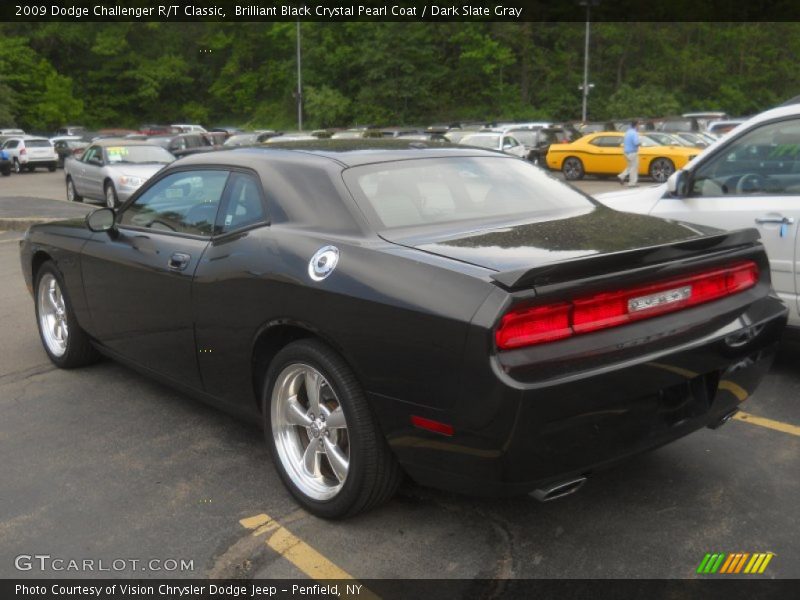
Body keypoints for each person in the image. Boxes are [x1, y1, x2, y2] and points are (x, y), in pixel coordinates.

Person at [618, 120, 641, 186]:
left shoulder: (628, 132)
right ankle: (632, 183)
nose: (639, 126)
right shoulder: (634, 133)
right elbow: (636, 143)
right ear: (636, 125)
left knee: (630, 166)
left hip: (626, 152)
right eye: (639, 125)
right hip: (632, 152)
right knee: (634, 167)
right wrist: (640, 143)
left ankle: (621, 176)